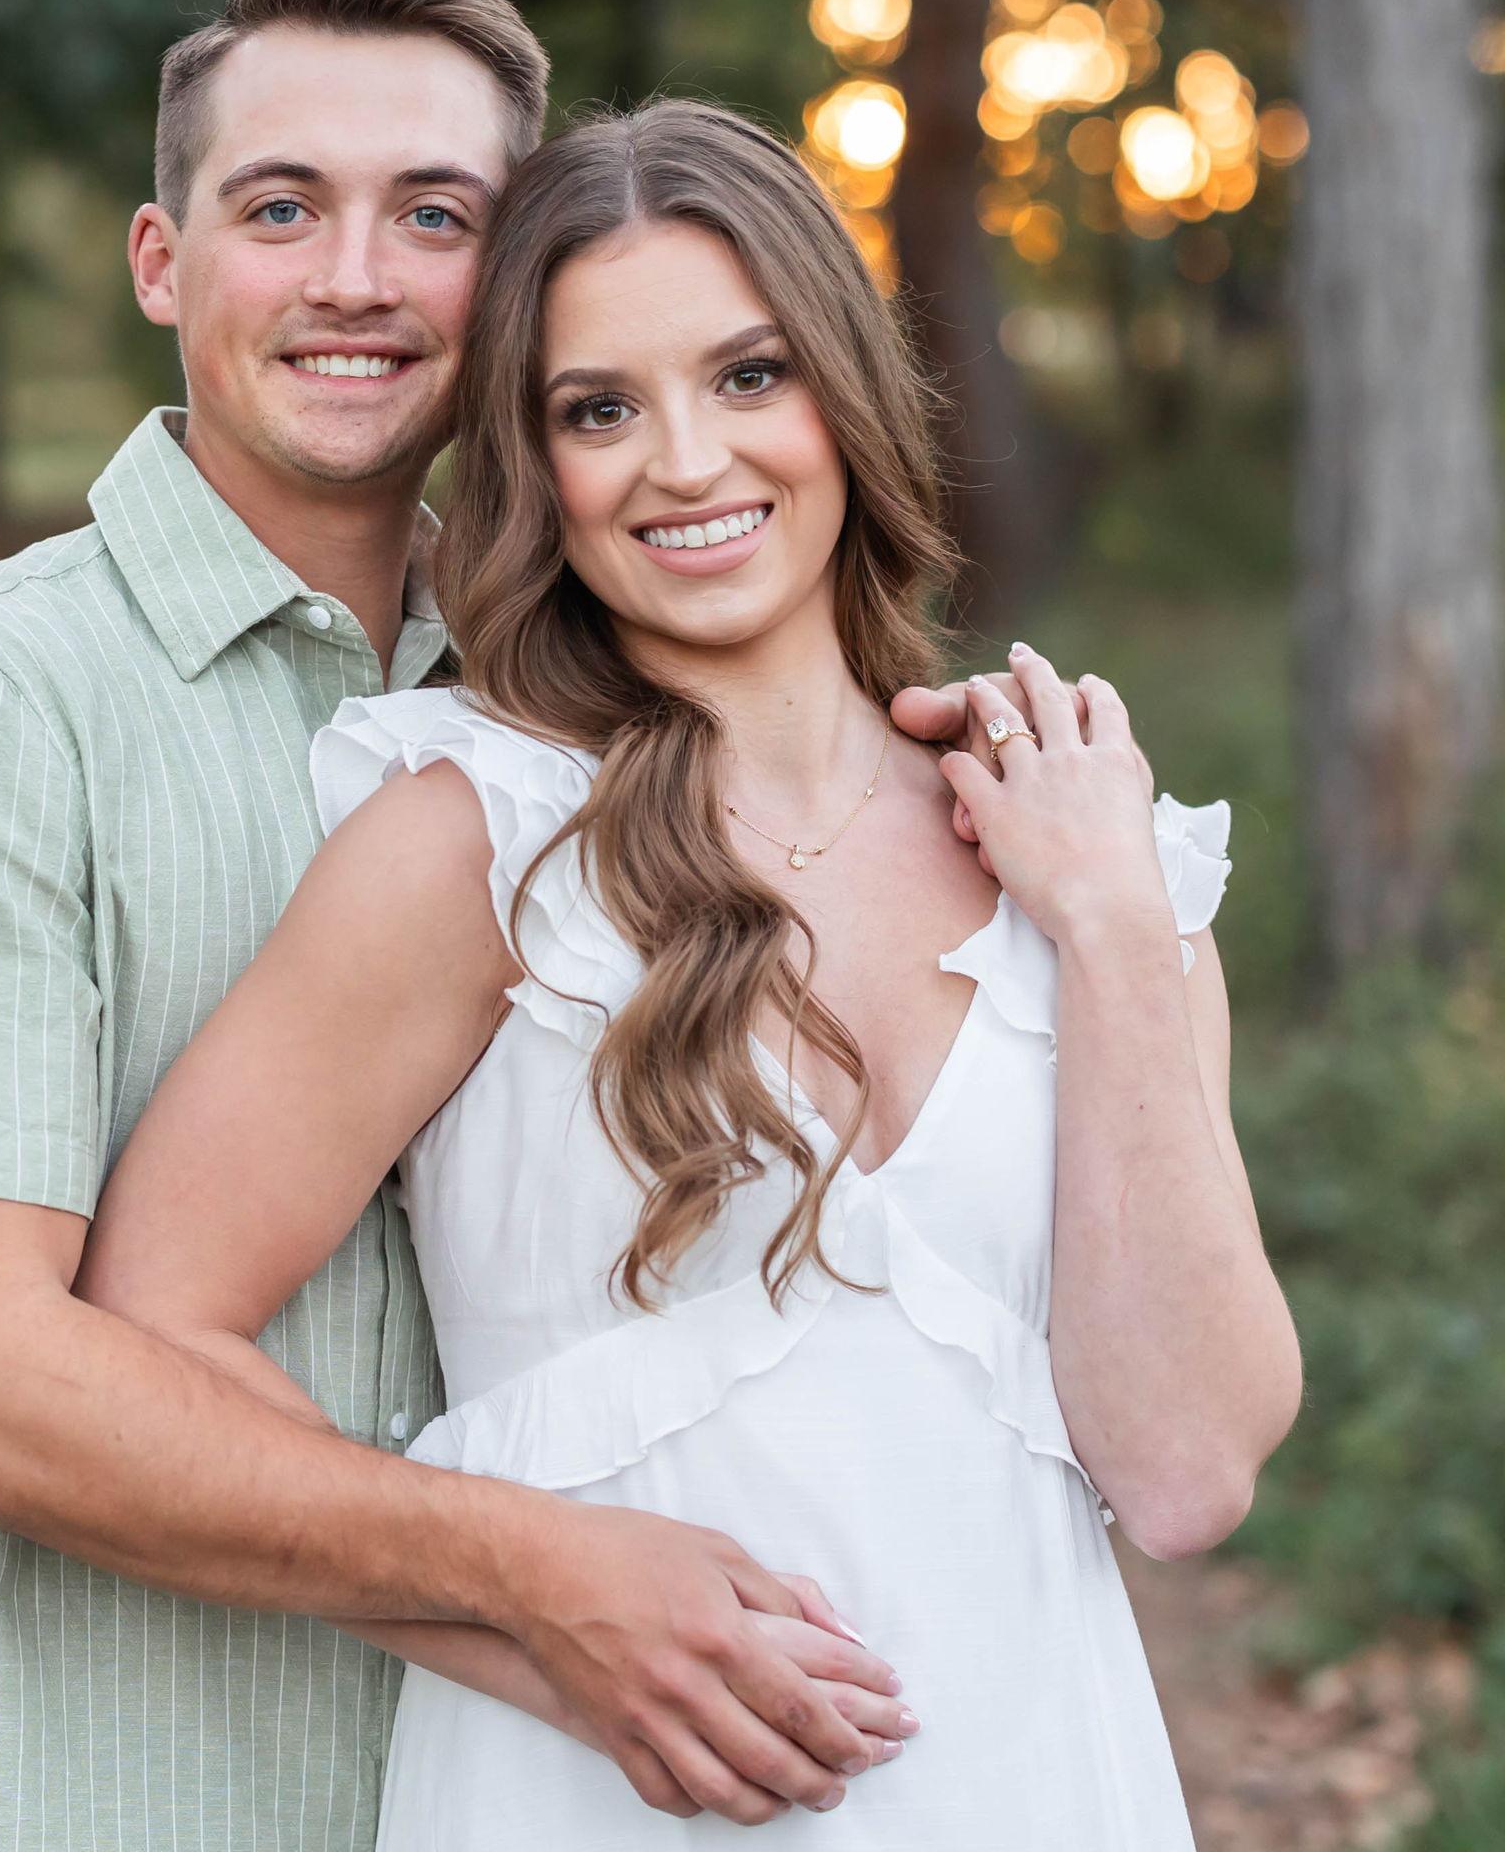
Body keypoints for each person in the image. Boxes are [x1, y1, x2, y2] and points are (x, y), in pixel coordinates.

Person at [0, 0, 1137, 1849]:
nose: (356, 277)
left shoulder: (587, 714)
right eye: (279, 208)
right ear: (160, 261)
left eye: (435, 215)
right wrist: (534, 1583)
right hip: (116, 1797)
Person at [70, 99, 1304, 1847]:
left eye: (748, 375)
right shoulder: (479, 842)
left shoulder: (1098, 860)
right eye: (599, 409)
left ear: (843, 391)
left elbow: (1184, 1475)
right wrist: (518, 1611)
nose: (685, 462)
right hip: (585, 1803)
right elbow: (144, 1336)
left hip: (1035, 1789)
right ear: (535, 466)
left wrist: (1109, 924)